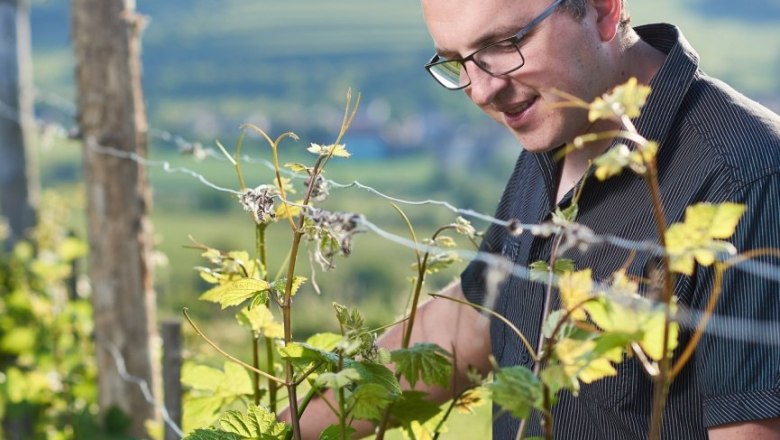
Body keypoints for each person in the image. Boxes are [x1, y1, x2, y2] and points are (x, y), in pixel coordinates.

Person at [295, 0, 780, 438]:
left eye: (505, 44)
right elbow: (477, 317)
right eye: (456, 61)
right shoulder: (558, 123)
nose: (482, 90)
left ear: (603, 10)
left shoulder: (747, 174)